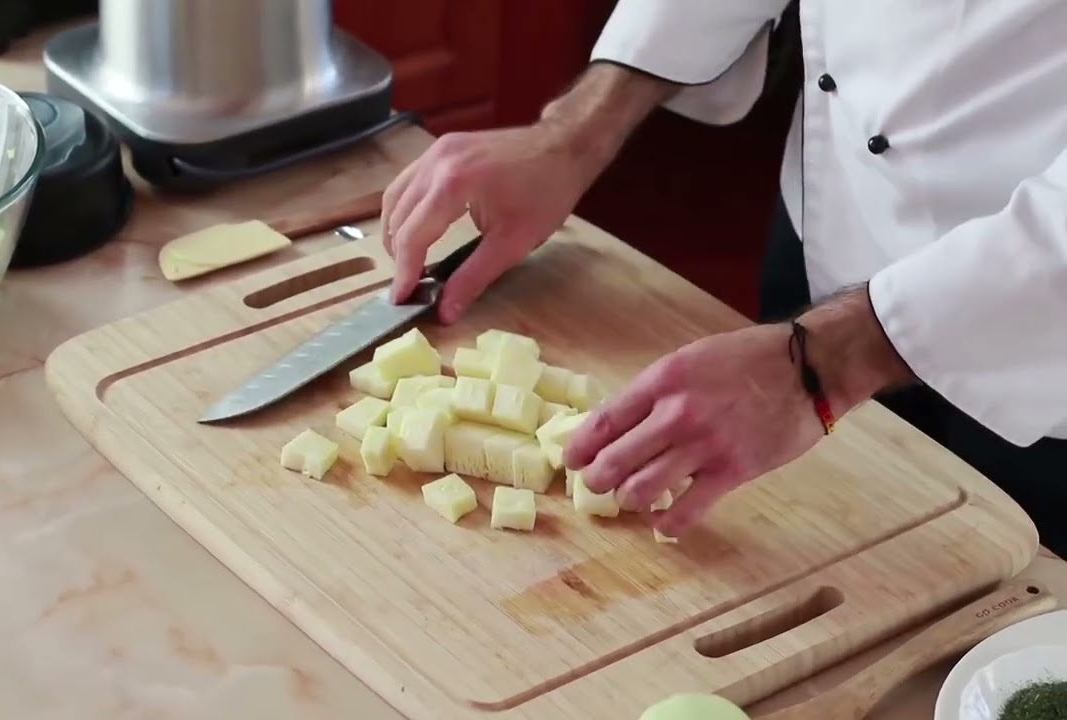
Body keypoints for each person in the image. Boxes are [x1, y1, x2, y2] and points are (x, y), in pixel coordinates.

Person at [379, 0, 1067, 556]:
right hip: (834, 233)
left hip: (1044, 332)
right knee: (819, 536)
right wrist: (574, 130)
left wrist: (831, 360)